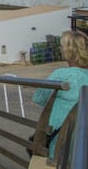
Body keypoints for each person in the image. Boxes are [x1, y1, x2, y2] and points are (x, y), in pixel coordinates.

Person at [32, 30, 88, 160]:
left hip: (60, 138)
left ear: (69, 50)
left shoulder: (61, 75)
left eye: (62, 46)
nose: (60, 49)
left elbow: (39, 98)